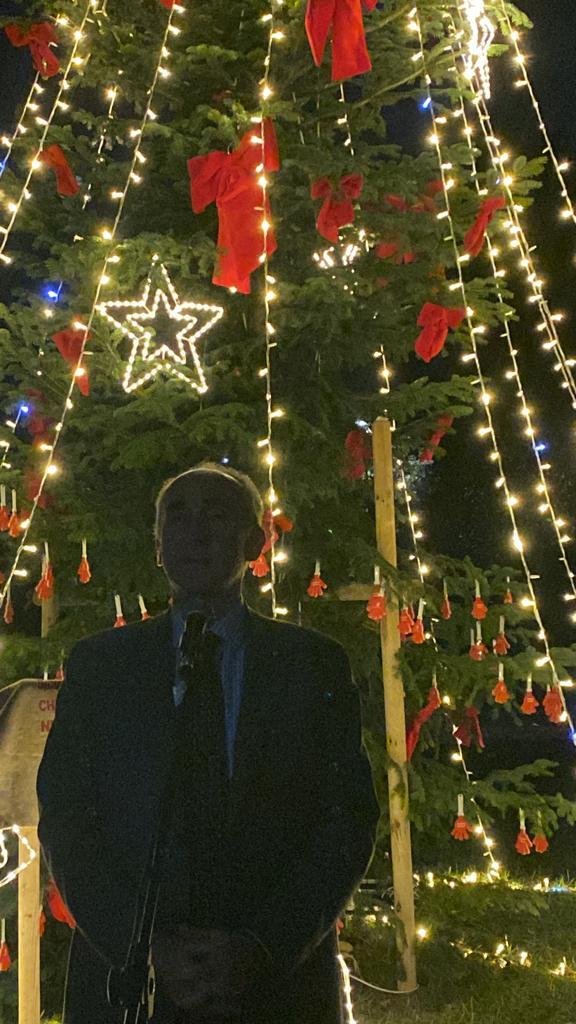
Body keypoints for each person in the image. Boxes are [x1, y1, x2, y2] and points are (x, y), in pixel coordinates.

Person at [37, 463, 379, 1024]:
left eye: (216, 515)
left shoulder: (310, 665)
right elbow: (67, 817)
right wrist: (143, 947)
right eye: (178, 516)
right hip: (128, 989)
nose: (194, 530)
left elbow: (346, 821)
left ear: (255, 543)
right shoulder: (102, 667)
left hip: (278, 989)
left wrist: (262, 948)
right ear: (157, 547)